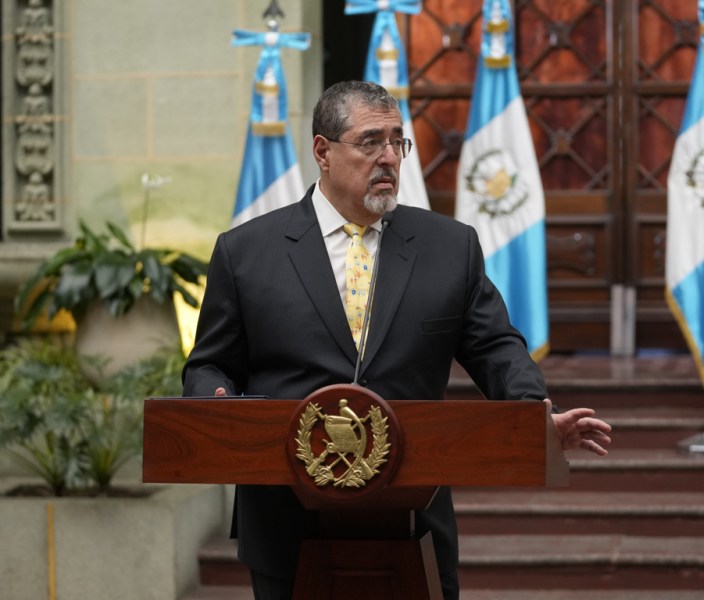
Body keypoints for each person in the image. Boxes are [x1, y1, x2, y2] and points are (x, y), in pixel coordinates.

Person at [182, 80, 612, 600]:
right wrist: (216, 408)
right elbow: (210, 364)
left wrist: (531, 416)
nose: (389, 157)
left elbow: (497, 347)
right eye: (370, 142)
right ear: (323, 151)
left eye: (397, 142)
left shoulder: (449, 247)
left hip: (412, 526)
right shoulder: (247, 251)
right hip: (285, 523)